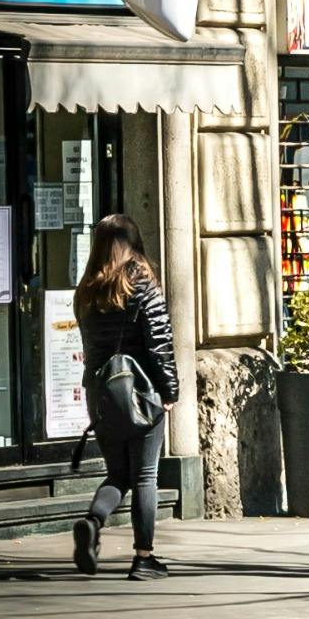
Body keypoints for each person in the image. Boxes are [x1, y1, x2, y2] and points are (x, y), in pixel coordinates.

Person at [73, 215, 180, 578]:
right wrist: (170, 392)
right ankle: (144, 557)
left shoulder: (88, 288)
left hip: (101, 393)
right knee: (145, 476)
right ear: (133, 243)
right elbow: (160, 342)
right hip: (141, 391)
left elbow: (91, 348)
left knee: (118, 473)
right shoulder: (142, 282)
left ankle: (93, 520)